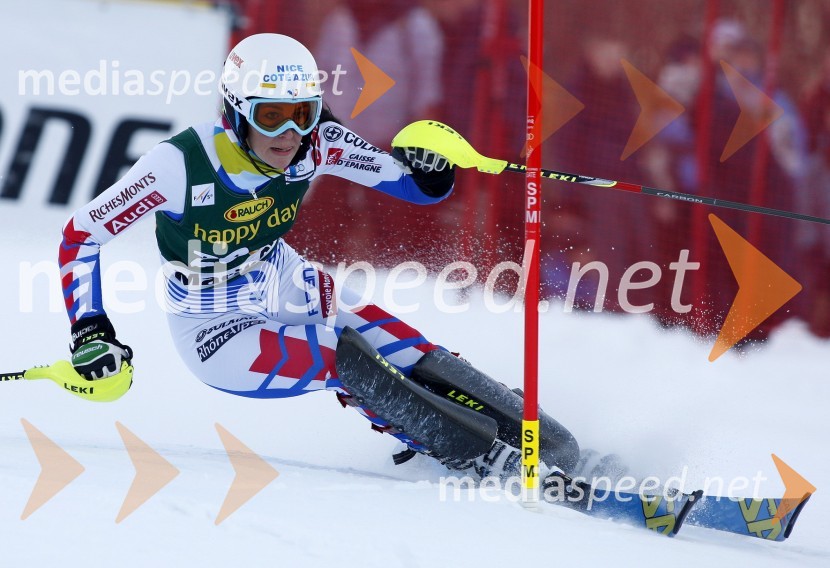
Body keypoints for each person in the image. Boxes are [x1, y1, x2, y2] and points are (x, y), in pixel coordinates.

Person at [58, 34, 579, 481]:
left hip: (284, 278)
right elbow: (80, 236)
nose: (289, 134)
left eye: (302, 113)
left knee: (407, 352)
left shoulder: (316, 142)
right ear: (235, 111)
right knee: (342, 357)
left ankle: (536, 435)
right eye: (271, 116)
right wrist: (90, 328)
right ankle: (473, 455)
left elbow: (413, 187)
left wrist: (433, 169)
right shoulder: (177, 165)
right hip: (211, 323)